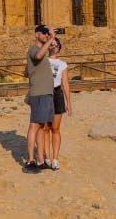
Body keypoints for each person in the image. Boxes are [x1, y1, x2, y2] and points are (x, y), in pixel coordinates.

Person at [23, 25, 55, 173]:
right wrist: (52, 39)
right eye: (44, 33)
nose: (46, 36)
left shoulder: (41, 51)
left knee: (42, 127)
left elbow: (26, 71)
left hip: (46, 93)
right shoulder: (33, 49)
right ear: (36, 35)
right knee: (34, 126)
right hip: (39, 94)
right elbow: (37, 56)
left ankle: (41, 160)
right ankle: (30, 161)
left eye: (47, 34)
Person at [44, 38, 72, 171]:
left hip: (57, 95)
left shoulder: (63, 64)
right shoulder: (43, 61)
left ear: (59, 47)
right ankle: (47, 158)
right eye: (51, 44)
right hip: (44, 94)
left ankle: (55, 159)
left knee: (55, 128)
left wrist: (69, 102)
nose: (53, 46)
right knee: (45, 128)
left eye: (56, 44)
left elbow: (65, 83)